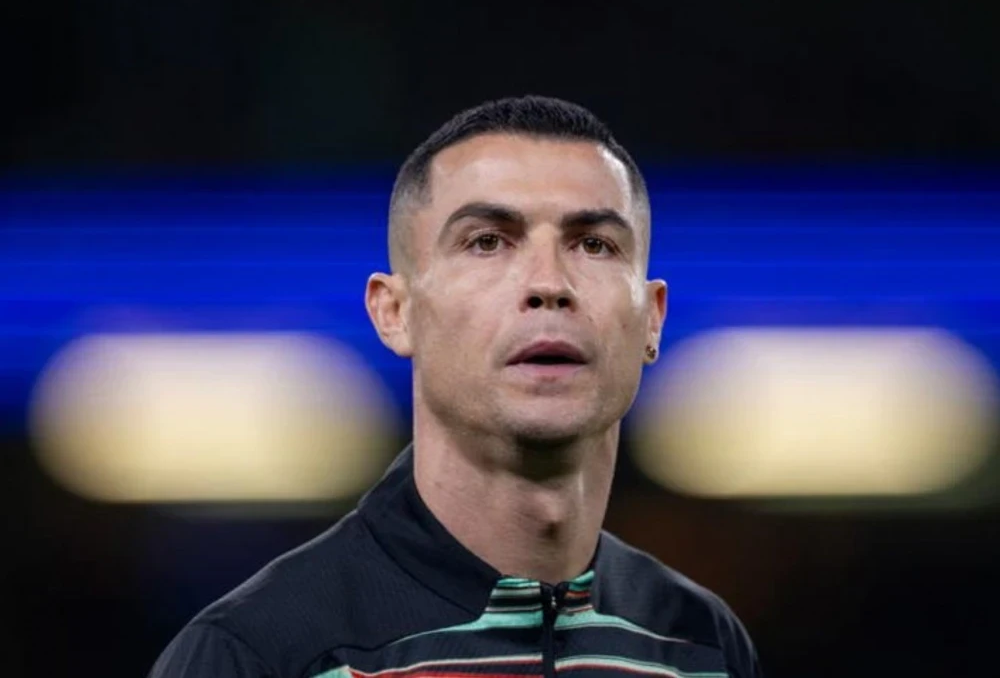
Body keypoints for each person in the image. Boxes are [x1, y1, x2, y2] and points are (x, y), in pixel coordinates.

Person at [149, 96, 762, 678]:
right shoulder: (259, 652)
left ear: (652, 318)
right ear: (396, 312)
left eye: (594, 245)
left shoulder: (703, 646)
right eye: (487, 242)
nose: (549, 284)